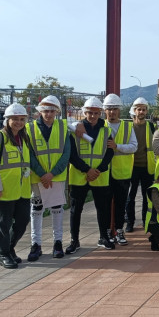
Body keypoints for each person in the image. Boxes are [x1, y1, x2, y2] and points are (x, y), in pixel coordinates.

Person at [0, 103, 41, 268]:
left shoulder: (24, 138)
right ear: (7, 120)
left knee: (23, 221)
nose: (18, 122)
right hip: (4, 189)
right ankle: (3, 254)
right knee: (5, 223)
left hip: (23, 190)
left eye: (22, 119)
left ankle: (9, 248)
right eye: (14, 119)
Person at [66, 97, 115, 253]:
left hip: (99, 176)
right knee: (75, 210)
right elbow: (72, 155)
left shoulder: (106, 131)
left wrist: (98, 170)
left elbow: (109, 152)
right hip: (79, 175)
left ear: (100, 113)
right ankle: (74, 240)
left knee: (103, 209)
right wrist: (87, 170)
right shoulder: (76, 130)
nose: (92, 116)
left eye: (96, 113)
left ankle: (103, 237)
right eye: (89, 113)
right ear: (84, 113)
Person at [25, 95, 70, 261]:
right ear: (40, 111)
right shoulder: (30, 128)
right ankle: (35, 244)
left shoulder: (64, 127)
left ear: (57, 112)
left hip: (56, 177)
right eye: (45, 110)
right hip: (38, 177)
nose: (48, 114)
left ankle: (57, 242)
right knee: (36, 210)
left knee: (56, 209)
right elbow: (28, 154)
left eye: (51, 111)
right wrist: (43, 174)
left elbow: (66, 153)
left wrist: (52, 173)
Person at [103, 93, 137, 246]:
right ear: (105, 110)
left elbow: (134, 147)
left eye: (115, 109)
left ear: (119, 110)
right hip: (103, 173)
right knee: (104, 204)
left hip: (122, 172)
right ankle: (106, 232)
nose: (112, 112)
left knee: (120, 203)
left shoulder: (127, 126)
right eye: (109, 109)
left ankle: (118, 230)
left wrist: (117, 147)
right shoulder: (100, 125)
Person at [125, 97, 155, 233]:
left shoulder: (150, 126)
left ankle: (145, 221)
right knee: (130, 197)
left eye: (143, 109)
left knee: (146, 196)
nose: (141, 112)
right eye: (139, 109)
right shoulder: (128, 127)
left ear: (146, 111)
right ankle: (130, 222)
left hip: (147, 166)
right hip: (132, 166)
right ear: (134, 111)